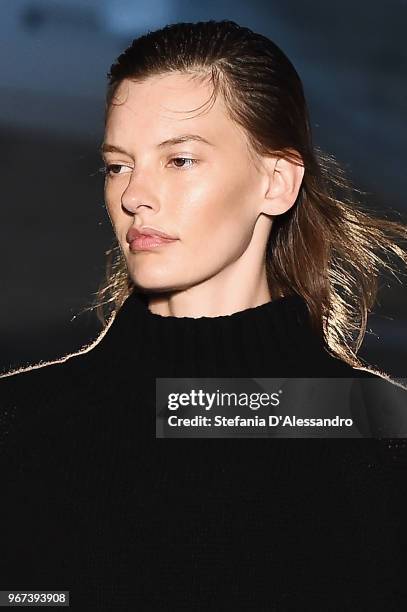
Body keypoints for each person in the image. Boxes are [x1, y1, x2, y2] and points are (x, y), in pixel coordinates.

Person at [1, 20, 406, 609]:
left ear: (276, 182)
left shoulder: (382, 436)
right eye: (119, 165)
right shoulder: (18, 427)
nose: (135, 194)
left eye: (180, 160)